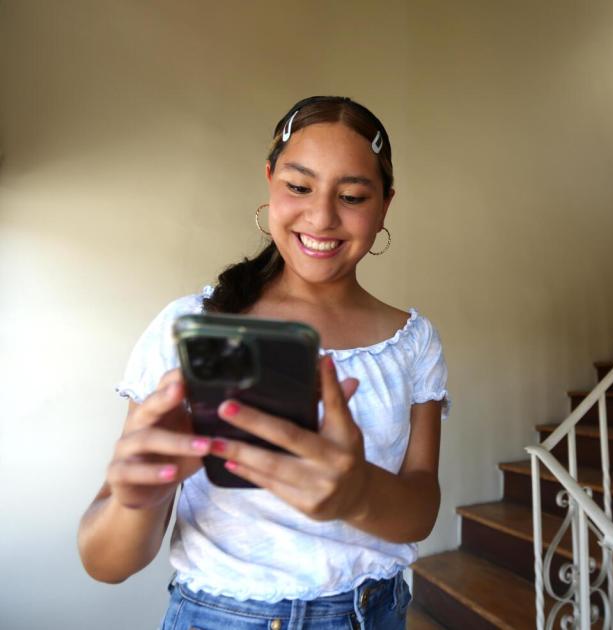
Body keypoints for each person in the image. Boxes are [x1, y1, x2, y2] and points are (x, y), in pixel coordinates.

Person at [77, 96, 449, 629]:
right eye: (299, 187)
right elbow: (105, 562)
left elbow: (420, 513)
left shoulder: (412, 341)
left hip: (371, 615)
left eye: (351, 195)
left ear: (385, 204)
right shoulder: (190, 328)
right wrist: (142, 498)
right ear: (270, 179)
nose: (322, 216)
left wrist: (358, 492)